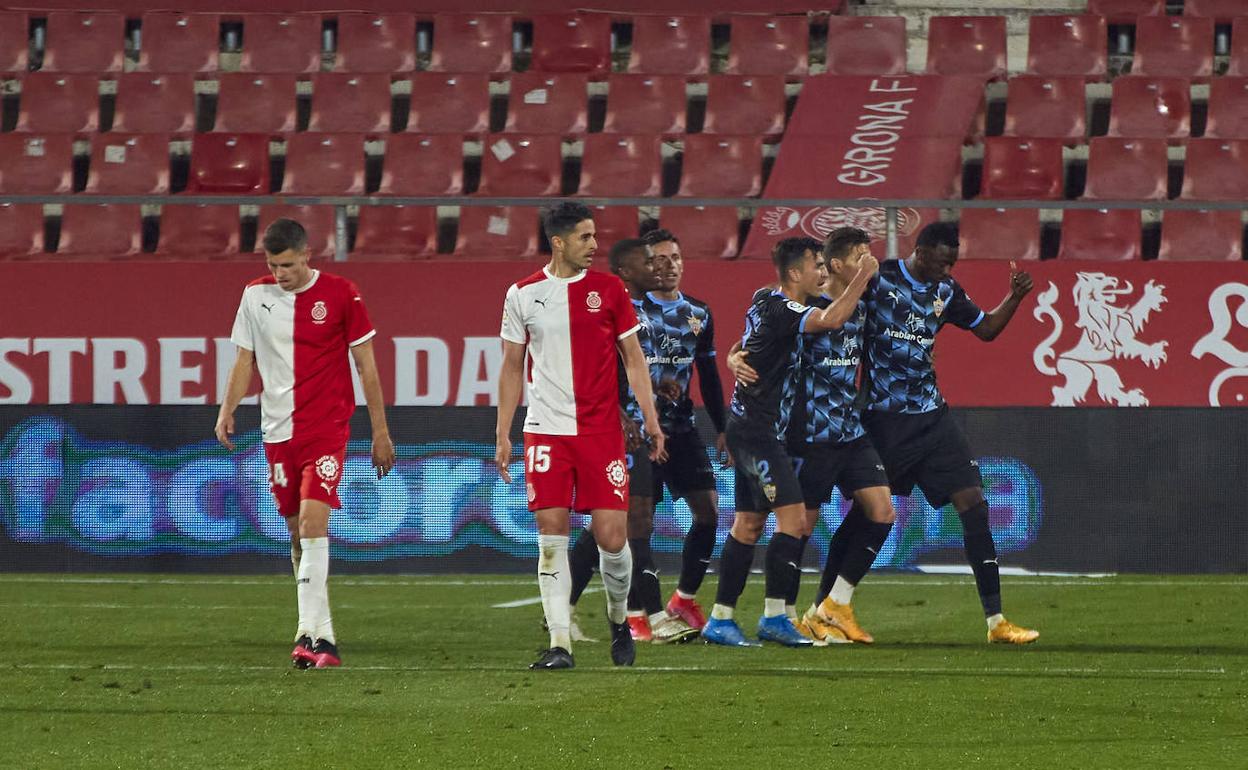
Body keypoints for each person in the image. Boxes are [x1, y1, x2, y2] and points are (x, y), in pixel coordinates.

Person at [215, 218, 395, 670]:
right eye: (274, 265)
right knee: (296, 531)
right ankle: (308, 630)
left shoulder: (341, 294)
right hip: (277, 431)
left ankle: (323, 640)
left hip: (326, 428)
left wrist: (380, 430)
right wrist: (226, 408)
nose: (281, 274)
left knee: (315, 522)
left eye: (289, 265)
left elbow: (366, 367)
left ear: (307, 255)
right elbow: (244, 360)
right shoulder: (254, 296)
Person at [496, 202, 666, 670]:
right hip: (545, 433)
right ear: (559, 241)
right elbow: (512, 366)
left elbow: (633, 359)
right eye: (586, 237)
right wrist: (503, 432)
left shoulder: (609, 290)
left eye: (594, 236)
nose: (595, 245)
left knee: (612, 537)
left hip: (599, 433)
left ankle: (617, 620)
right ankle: (558, 643)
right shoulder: (523, 295)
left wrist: (650, 419)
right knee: (551, 537)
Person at [856, 221, 1039, 644]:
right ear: (919, 251)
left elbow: (986, 330)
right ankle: (830, 603)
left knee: (974, 503)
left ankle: (996, 622)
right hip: (886, 418)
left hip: (933, 418)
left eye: (952, 263)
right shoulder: (879, 280)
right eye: (942, 262)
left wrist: (1015, 297)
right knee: (872, 514)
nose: (947, 270)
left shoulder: (947, 291)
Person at [702, 236, 877, 648]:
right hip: (758, 434)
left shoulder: (764, 299)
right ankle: (776, 617)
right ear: (795, 273)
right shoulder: (783, 308)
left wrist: (733, 356)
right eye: (816, 266)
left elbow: (746, 346)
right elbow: (831, 320)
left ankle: (720, 619)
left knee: (748, 524)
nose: (822, 272)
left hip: (751, 427)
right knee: (794, 522)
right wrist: (863, 275)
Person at [566, 238, 696, 644]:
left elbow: (630, 369)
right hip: (612, 432)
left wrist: (659, 388)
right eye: (648, 262)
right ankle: (654, 618)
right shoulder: (607, 308)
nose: (657, 266)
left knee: (612, 525)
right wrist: (622, 416)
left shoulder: (641, 311)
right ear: (626, 271)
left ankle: (564, 609)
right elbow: (590, 370)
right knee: (633, 520)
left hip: (638, 429)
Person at [642, 229, 729, 632]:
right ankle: (639, 611)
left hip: (682, 428)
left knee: (709, 514)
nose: (669, 265)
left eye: (675, 257)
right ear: (645, 266)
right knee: (632, 522)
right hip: (639, 432)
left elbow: (709, 374)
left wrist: (723, 427)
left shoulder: (699, 312)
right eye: (659, 259)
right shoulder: (629, 310)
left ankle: (684, 600)